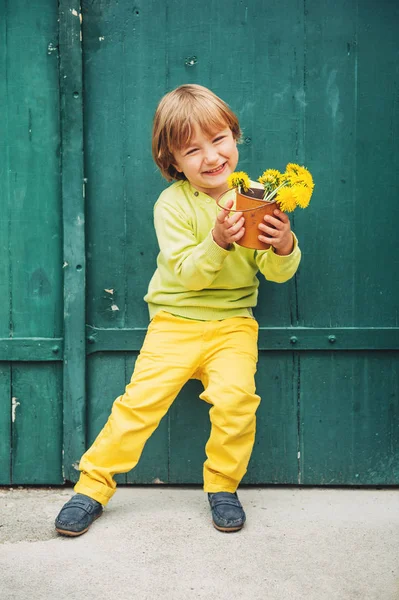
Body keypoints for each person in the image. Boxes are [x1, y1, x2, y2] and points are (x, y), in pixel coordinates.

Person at [55, 83, 301, 536]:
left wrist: (283, 244)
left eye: (219, 140)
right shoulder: (172, 205)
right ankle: (92, 487)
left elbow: (275, 271)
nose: (210, 157)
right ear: (173, 161)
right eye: (193, 149)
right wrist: (218, 240)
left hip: (233, 325)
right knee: (138, 405)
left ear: (235, 136)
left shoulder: (257, 195)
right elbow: (187, 274)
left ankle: (223, 485)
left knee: (236, 401)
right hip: (175, 322)